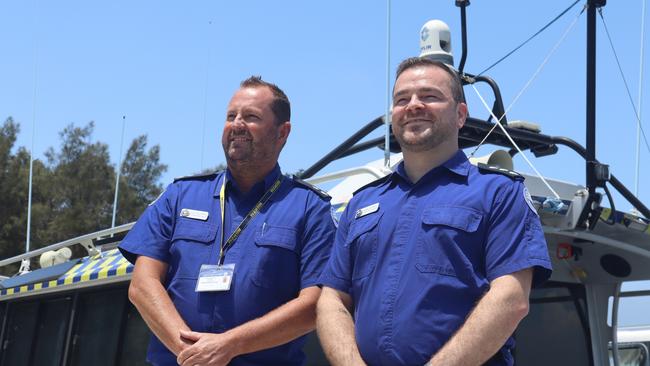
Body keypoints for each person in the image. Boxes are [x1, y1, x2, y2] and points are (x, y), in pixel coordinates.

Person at [316, 57, 552, 366]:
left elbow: (511, 298)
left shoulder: (499, 193)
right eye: (402, 99)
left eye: (429, 96)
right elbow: (332, 299)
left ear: (460, 115)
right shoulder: (360, 203)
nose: (413, 105)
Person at [119, 76, 336, 366]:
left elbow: (315, 305)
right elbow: (142, 285)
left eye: (251, 117)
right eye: (231, 116)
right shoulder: (179, 195)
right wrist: (194, 355)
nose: (236, 125)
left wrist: (229, 346)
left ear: (282, 132)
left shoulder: (311, 208)